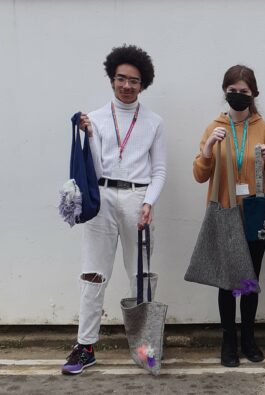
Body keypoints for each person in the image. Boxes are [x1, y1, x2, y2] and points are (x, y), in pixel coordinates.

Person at [61, 44, 167, 375]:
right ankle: (85, 345)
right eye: (121, 78)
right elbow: (91, 167)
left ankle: (145, 345)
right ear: (111, 79)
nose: (126, 85)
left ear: (143, 83)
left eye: (133, 80)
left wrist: (149, 202)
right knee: (93, 274)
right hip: (103, 198)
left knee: (141, 276)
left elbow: (159, 169)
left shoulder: (153, 122)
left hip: (138, 198)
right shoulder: (92, 118)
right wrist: (89, 136)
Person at [193, 65, 265, 368]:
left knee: (248, 278)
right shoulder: (214, 127)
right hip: (224, 210)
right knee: (226, 280)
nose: (237, 96)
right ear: (225, 92)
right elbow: (199, 173)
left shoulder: (263, 128)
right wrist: (208, 148)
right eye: (232, 91)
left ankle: (248, 337)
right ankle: (228, 340)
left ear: (253, 94)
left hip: (256, 211)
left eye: (244, 92)